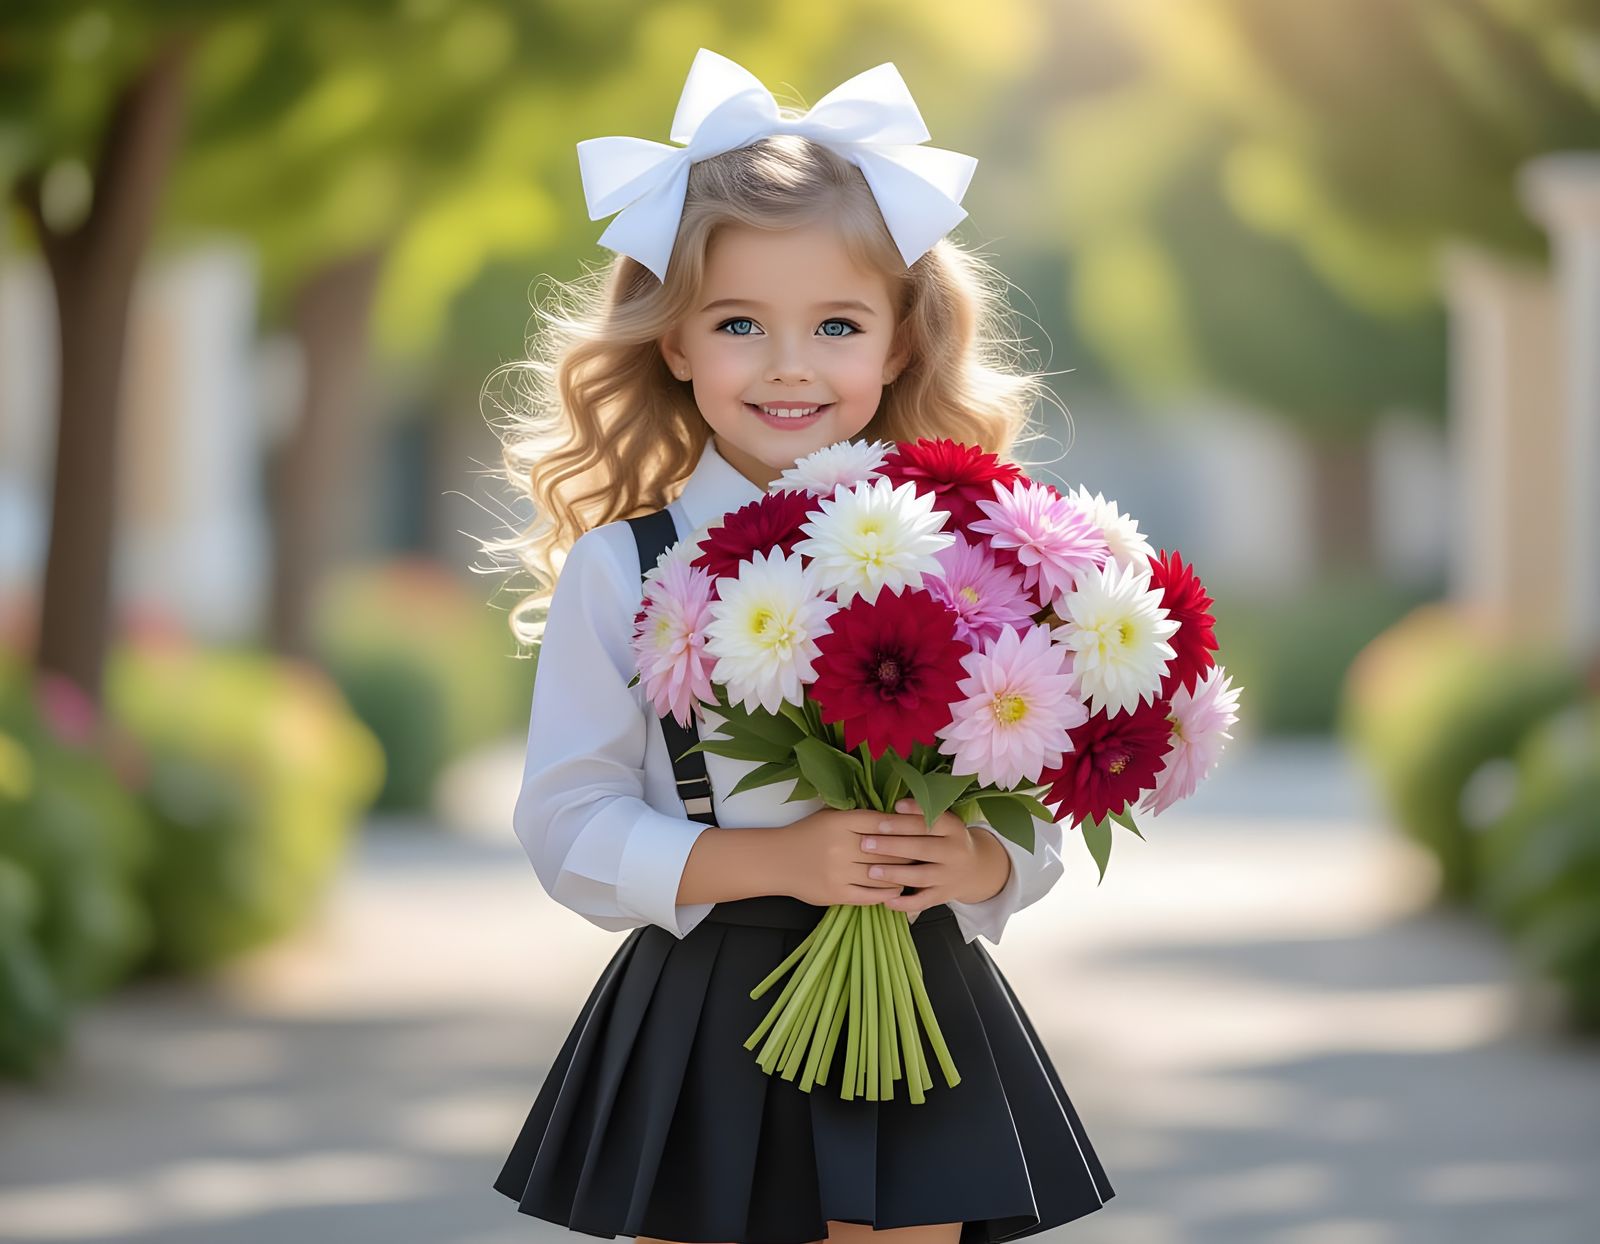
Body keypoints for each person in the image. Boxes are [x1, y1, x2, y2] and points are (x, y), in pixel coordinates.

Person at [486, 47, 1115, 1244]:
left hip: (918, 1006)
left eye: (835, 322)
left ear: (898, 344)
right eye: (737, 323)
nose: (787, 363)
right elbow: (566, 822)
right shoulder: (622, 565)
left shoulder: (975, 547)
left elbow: (1035, 807)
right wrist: (782, 861)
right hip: (702, 1011)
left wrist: (976, 867)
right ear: (674, 343)